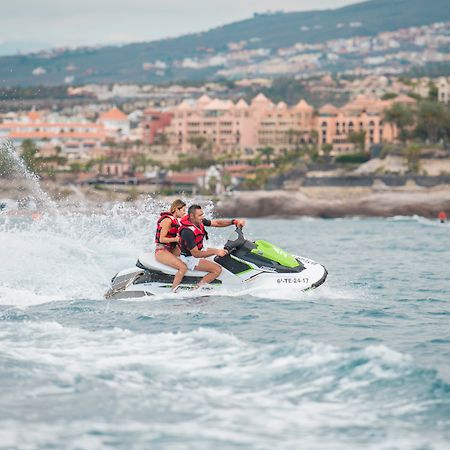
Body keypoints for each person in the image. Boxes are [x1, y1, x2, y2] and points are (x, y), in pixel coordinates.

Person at [179, 204, 246, 288]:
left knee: (223, 257)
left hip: (199, 251)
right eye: (200, 215)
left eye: (202, 214)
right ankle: (197, 288)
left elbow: (217, 223)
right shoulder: (187, 231)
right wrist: (216, 251)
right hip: (189, 258)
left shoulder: (199, 221)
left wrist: (233, 222)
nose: (202, 217)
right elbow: (196, 254)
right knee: (217, 270)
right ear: (192, 216)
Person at [154, 199, 187, 292]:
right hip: (161, 250)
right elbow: (162, 239)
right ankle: (173, 291)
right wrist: (175, 239)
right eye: (183, 210)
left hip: (171, 249)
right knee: (183, 267)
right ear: (176, 209)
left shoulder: (175, 221)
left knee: (190, 252)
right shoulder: (167, 220)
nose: (185, 212)